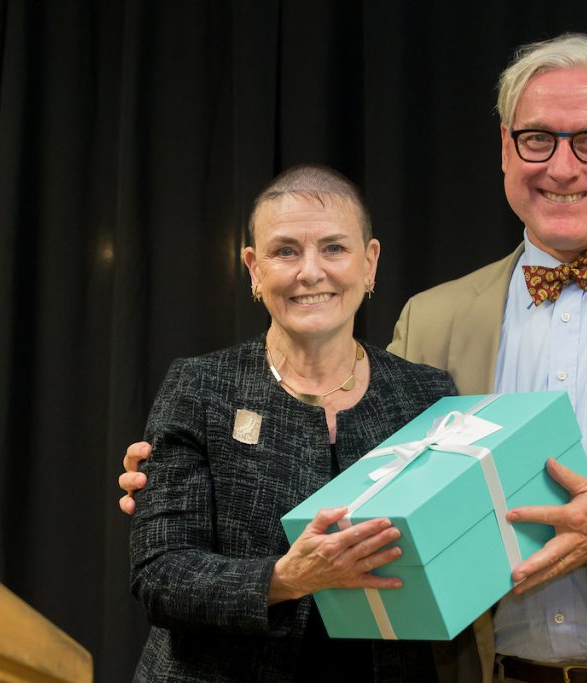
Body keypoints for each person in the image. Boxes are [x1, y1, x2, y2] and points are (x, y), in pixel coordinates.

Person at [123, 34, 587, 683]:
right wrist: (186, 481)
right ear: (504, 149)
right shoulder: (433, 320)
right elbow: (354, 483)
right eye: (536, 139)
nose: (562, 166)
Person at [127, 163, 456, 682]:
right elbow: (160, 574)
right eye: (285, 251)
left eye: (334, 248)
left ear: (370, 263)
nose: (310, 271)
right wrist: (284, 579)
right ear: (254, 269)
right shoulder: (200, 387)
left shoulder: (425, 395)